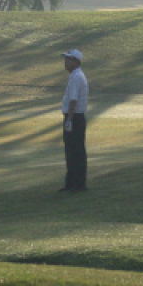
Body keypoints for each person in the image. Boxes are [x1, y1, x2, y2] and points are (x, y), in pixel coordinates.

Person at [59, 49, 89, 193]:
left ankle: (77, 184)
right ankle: (72, 183)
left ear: (76, 61)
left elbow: (73, 100)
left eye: (69, 59)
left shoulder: (76, 77)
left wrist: (69, 120)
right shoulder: (75, 76)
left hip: (74, 117)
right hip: (75, 117)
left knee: (75, 151)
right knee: (73, 151)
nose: (66, 62)